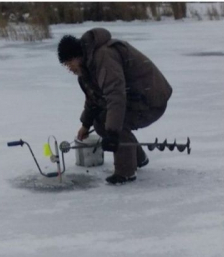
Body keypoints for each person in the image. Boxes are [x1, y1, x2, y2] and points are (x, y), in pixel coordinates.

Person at [57, 28, 173, 184]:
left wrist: (112, 133)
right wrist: (85, 124)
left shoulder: (104, 57)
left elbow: (116, 96)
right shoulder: (87, 70)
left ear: (77, 56)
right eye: (65, 65)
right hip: (135, 98)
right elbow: (94, 99)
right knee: (101, 121)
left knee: (113, 122)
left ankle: (126, 172)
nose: (69, 68)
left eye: (69, 62)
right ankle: (138, 158)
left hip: (151, 99)